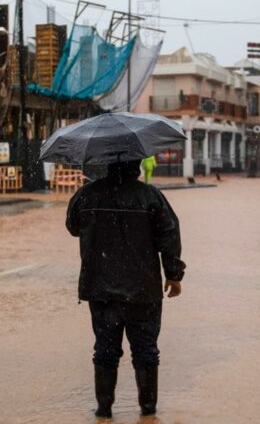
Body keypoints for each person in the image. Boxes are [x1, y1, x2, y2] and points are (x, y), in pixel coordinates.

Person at [66, 159, 186, 419]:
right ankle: (148, 412)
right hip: (143, 289)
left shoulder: (86, 195)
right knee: (145, 350)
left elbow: (73, 227)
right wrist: (174, 275)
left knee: (105, 349)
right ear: (137, 165)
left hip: (100, 287)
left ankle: (104, 410)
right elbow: (169, 234)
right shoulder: (150, 196)